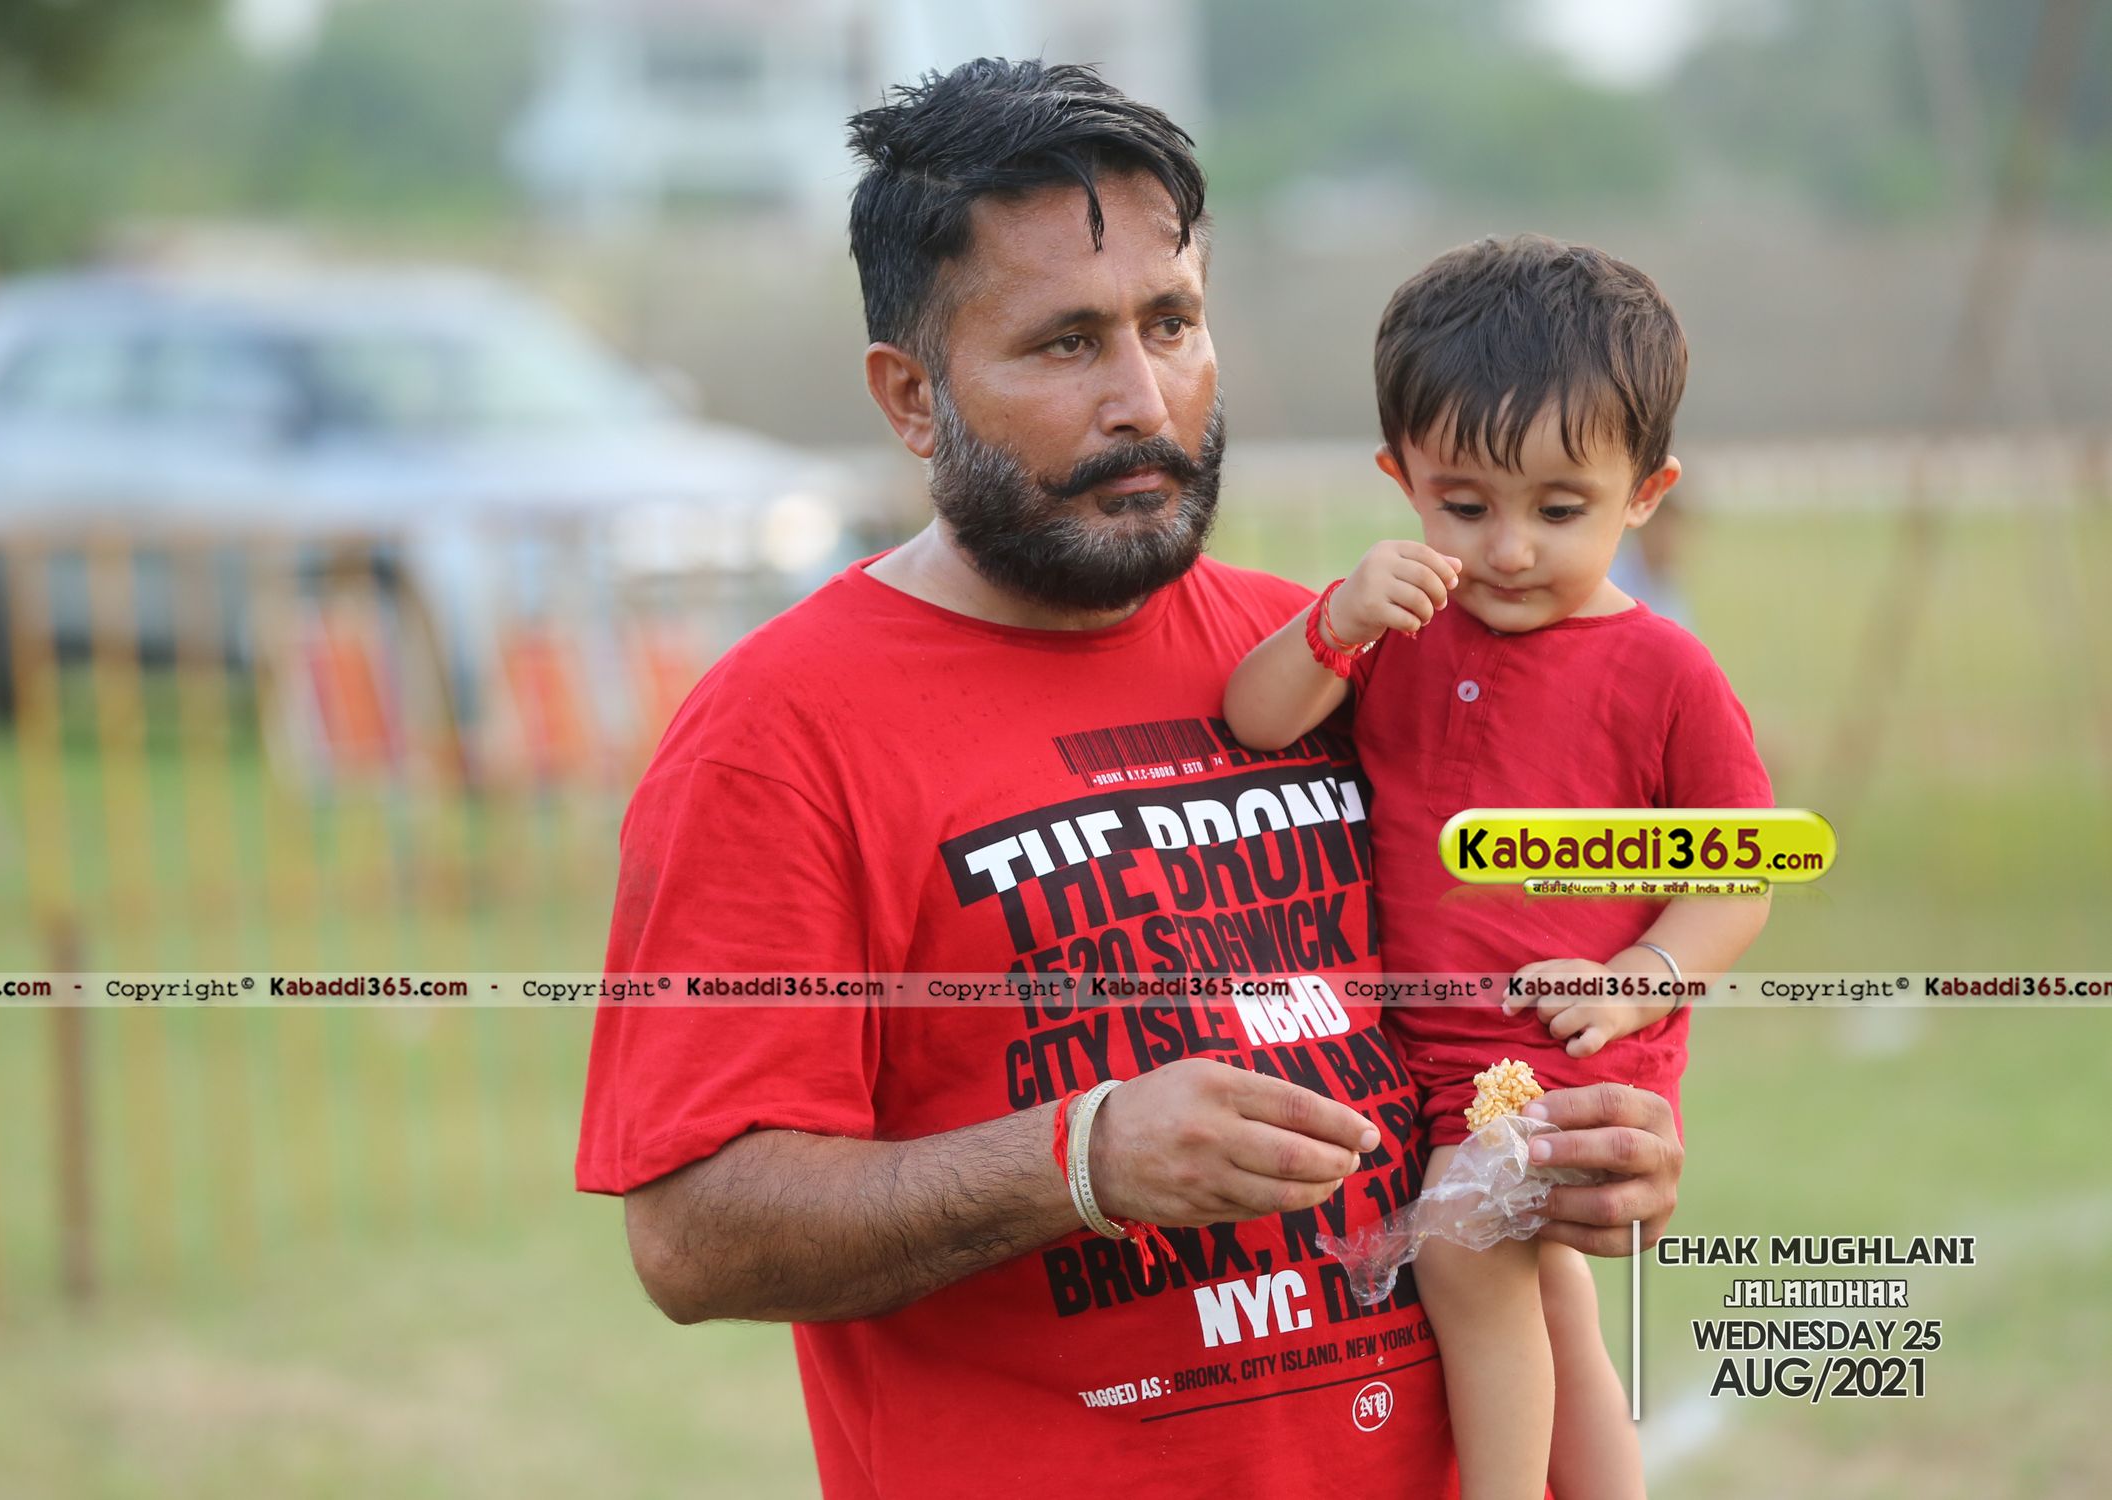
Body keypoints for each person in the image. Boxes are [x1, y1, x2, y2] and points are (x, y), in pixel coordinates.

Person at [578, 62, 1687, 1498]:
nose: (1142, 400)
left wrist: (1604, 1137)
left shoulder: (1341, 656)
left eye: (1170, 323)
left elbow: (1519, 978)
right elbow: (692, 1233)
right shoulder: (779, 733)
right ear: (912, 399)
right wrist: (1080, 1160)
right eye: (1064, 344)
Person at [1223, 234, 1774, 1498]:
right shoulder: (1398, 630)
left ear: (1646, 493)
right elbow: (1256, 720)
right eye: (1465, 506)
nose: (1511, 548)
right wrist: (1332, 621)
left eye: (1560, 510)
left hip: (1568, 1048)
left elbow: (1735, 875)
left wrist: (1638, 979)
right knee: (1556, 1307)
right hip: (1437, 1059)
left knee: (1465, 1251)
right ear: (1400, 477)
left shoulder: (1663, 670)